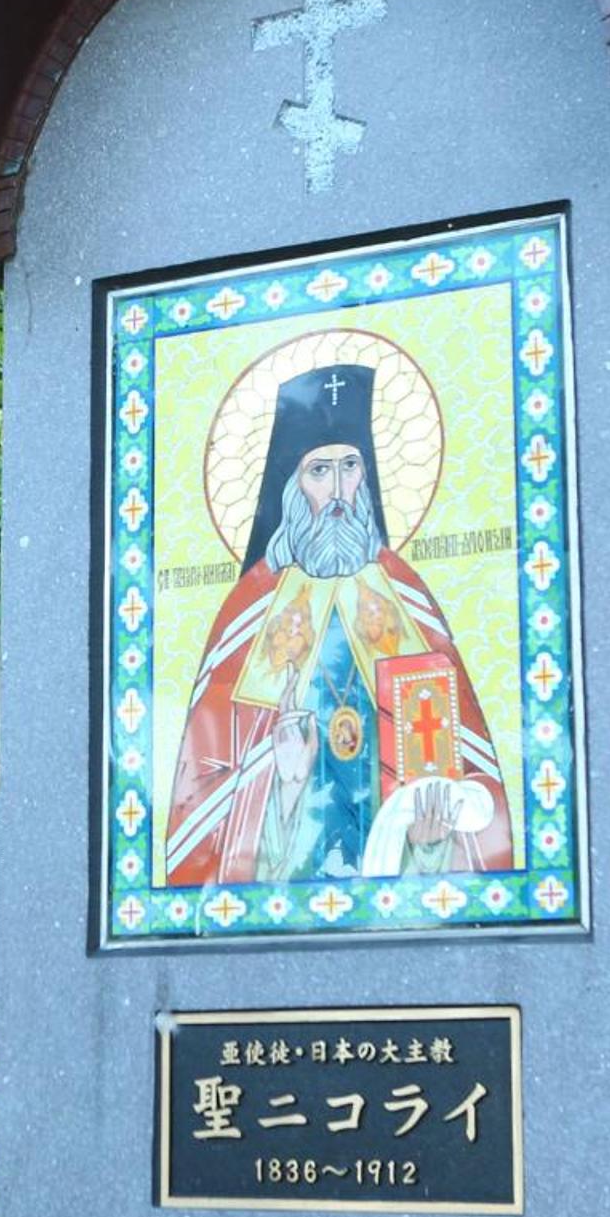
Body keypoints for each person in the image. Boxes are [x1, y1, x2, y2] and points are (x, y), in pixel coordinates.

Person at [161, 362, 513, 887]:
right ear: (291, 487)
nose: (339, 490)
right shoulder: (252, 606)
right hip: (289, 859)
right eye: (319, 471)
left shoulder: (404, 592)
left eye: (350, 466)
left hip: (395, 864)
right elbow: (204, 784)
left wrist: (433, 837)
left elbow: (459, 754)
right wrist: (284, 783)